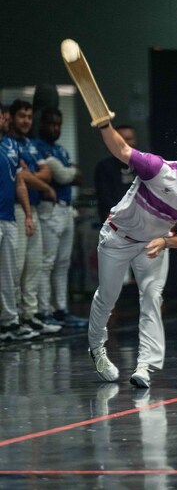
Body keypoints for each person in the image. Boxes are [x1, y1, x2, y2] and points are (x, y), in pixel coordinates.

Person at [88, 124, 177, 388]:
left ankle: (145, 366)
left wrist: (164, 240)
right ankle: (97, 349)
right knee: (107, 297)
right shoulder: (156, 168)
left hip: (153, 245)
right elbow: (122, 149)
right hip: (117, 238)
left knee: (151, 296)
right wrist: (105, 125)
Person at [9, 99, 61, 336]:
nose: (26, 121)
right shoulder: (8, 144)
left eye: (29, 117)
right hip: (16, 209)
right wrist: (44, 185)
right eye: (22, 116)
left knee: (34, 265)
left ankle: (29, 315)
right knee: (16, 267)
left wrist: (36, 179)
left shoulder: (29, 145)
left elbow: (46, 172)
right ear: (10, 117)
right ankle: (14, 317)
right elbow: (24, 177)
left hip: (34, 209)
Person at [35, 107, 88, 328]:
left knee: (63, 263)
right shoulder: (37, 148)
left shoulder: (60, 149)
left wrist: (67, 173)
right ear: (42, 124)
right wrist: (67, 173)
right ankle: (44, 311)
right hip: (49, 208)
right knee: (47, 263)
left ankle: (61, 309)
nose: (55, 128)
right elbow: (65, 175)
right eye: (50, 124)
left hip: (66, 208)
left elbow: (77, 176)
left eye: (58, 124)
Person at [0, 102, 39, 341]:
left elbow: (19, 182)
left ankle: (9, 322)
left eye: (4, 116)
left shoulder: (10, 145)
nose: (5, 119)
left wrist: (26, 214)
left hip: (8, 217)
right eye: (2, 116)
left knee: (9, 273)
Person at [94, 124, 137, 285]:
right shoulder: (104, 167)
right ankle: (115, 308)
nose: (127, 143)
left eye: (130, 139)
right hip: (114, 227)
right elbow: (105, 199)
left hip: (141, 227)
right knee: (116, 277)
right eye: (122, 139)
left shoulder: (143, 166)